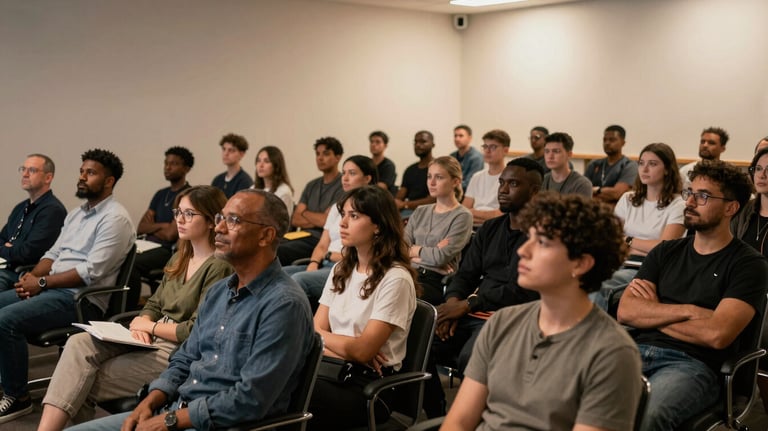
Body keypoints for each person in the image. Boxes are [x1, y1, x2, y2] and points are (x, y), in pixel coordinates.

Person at [65, 189, 315, 431]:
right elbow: (184, 358)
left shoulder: (284, 304)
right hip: (178, 410)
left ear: (266, 236)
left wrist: (170, 420)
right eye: (220, 218)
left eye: (234, 220)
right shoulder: (219, 292)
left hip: (224, 424)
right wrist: (150, 401)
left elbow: (251, 399)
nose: (218, 228)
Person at [37, 186, 233, 430]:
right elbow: (153, 303)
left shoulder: (219, 267)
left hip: (177, 352)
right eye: (178, 212)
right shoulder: (180, 257)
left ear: (212, 220)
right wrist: (145, 321)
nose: (179, 220)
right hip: (152, 336)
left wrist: (148, 325)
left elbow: (193, 331)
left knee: (79, 381)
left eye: (189, 214)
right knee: (78, 343)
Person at [442, 193, 643, 431]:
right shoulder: (502, 323)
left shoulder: (611, 352)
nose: (522, 252)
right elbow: (460, 421)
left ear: (580, 263)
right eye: (529, 238)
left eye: (542, 243)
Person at [617, 160, 768, 431]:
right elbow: (627, 312)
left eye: (703, 196)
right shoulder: (665, 252)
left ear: (731, 208)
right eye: (690, 193)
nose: (690, 202)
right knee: (573, 398)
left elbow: (717, 335)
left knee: (648, 418)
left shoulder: (749, 264)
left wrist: (653, 311)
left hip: (692, 366)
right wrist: (691, 311)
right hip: (634, 351)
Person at [0, 149, 135, 423]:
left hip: (80, 300)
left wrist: (40, 282)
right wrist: (31, 280)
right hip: (51, 289)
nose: (82, 177)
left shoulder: (115, 219)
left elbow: (91, 272)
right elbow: (53, 253)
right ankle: (7, 381)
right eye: (82, 171)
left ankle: (18, 397)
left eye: (91, 173)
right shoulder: (76, 214)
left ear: (109, 181)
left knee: (5, 320)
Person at [422, 157, 544, 418]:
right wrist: (452, 304)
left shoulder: (543, 234)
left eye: (513, 184)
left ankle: (475, 419)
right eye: (501, 182)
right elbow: (464, 275)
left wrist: (468, 304)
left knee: (473, 355)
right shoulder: (490, 228)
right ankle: (436, 416)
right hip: (473, 311)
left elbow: (522, 290)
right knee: (418, 342)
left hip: (514, 316)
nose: (502, 189)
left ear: (534, 191)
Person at [307, 186, 418, 430]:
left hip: (370, 389)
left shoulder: (395, 278)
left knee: (289, 392)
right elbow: (314, 332)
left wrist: (345, 347)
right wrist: (348, 349)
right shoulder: (341, 269)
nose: (343, 223)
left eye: (354, 216)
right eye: (343, 214)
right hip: (331, 368)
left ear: (378, 225)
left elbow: (362, 351)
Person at [591, 143, 686, 315]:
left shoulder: (678, 204)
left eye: (653, 164)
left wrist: (628, 240)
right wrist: (642, 245)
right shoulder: (628, 198)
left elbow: (664, 248)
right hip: (618, 262)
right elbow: (610, 239)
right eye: (641, 163)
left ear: (667, 169)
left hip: (648, 268)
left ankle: (591, 338)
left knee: (599, 286)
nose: (645, 169)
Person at [283, 155, 378, 309]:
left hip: (347, 267)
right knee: (280, 274)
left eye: (352, 173)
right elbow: (322, 243)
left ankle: (292, 330)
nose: (345, 178)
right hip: (323, 263)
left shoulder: (372, 209)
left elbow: (364, 253)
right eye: (344, 172)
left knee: (299, 279)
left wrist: (327, 255)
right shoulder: (336, 206)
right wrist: (314, 263)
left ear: (367, 178)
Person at [128, 146, 194, 308]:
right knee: (120, 255)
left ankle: (127, 308)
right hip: (146, 244)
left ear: (186, 168)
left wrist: (155, 226)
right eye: (166, 163)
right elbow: (141, 227)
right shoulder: (160, 194)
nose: (168, 167)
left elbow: (172, 234)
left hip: (167, 250)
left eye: (174, 163)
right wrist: (163, 225)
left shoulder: (187, 195)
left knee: (131, 263)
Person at [404, 156, 473, 305]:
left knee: (400, 295)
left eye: (439, 177)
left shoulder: (462, 216)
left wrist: (414, 250)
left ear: (455, 182)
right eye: (429, 177)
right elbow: (400, 248)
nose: (432, 182)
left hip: (435, 281)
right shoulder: (421, 211)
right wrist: (428, 255)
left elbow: (441, 257)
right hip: (408, 273)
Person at [731, 147, 768, 412]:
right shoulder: (743, 213)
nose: (763, 175)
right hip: (737, 290)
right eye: (758, 169)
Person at [0, 154, 66, 290]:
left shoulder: (53, 211)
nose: (25, 174)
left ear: (48, 178)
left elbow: (27, 254)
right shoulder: (20, 207)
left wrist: (7, 248)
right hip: (6, 267)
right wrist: (8, 248)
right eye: (23, 169)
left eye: (32, 170)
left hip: (24, 274)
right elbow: (2, 238)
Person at [278, 137, 345, 265]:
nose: (320, 158)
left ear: (338, 157)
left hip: (321, 239)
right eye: (317, 154)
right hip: (301, 234)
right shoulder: (311, 185)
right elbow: (295, 219)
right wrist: (316, 218)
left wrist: (305, 213)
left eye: (326, 154)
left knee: (279, 251)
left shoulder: (343, 185)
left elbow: (326, 221)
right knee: (266, 246)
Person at [462, 129, 508, 226]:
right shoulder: (476, 177)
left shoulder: (510, 177)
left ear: (505, 150)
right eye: (485, 146)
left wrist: (474, 213)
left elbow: (504, 214)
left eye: (493, 147)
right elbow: (464, 210)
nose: (487, 151)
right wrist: (489, 215)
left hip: (498, 227)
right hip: (473, 227)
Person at [585, 125, 638, 205]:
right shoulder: (594, 164)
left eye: (612, 140)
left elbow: (617, 193)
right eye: (605, 140)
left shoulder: (629, 165)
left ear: (623, 143)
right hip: (592, 210)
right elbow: (583, 190)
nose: (607, 143)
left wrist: (596, 190)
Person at [395, 130, 437, 217]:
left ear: (433, 145)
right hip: (408, 211)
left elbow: (433, 199)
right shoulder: (410, 169)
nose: (418, 145)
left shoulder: (438, 168)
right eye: (416, 142)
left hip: (429, 212)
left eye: (423, 141)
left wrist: (405, 204)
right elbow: (400, 196)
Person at [541, 132, 592, 198]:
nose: (550, 156)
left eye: (556, 151)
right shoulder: (542, 181)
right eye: (547, 151)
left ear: (569, 154)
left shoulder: (582, 184)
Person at [252, 145, 294, 215]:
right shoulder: (252, 189)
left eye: (266, 161)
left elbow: (281, 222)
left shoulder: (283, 192)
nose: (261, 165)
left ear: (276, 165)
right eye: (258, 161)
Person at [211, 133, 254, 198]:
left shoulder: (245, 181)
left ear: (242, 154)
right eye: (224, 149)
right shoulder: (217, 180)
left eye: (231, 150)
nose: (226, 153)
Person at [450, 124, 483, 192]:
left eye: (461, 136)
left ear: (469, 138)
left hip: (469, 194)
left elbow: (470, 183)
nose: (457, 139)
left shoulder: (476, 158)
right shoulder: (452, 156)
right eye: (455, 136)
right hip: (453, 191)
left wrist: (448, 185)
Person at [368, 130, 398, 195]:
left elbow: (382, 187)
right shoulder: (366, 163)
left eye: (378, 142)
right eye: (371, 142)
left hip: (381, 198)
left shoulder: (389, 165)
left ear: (385, 146)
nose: (373, 144)